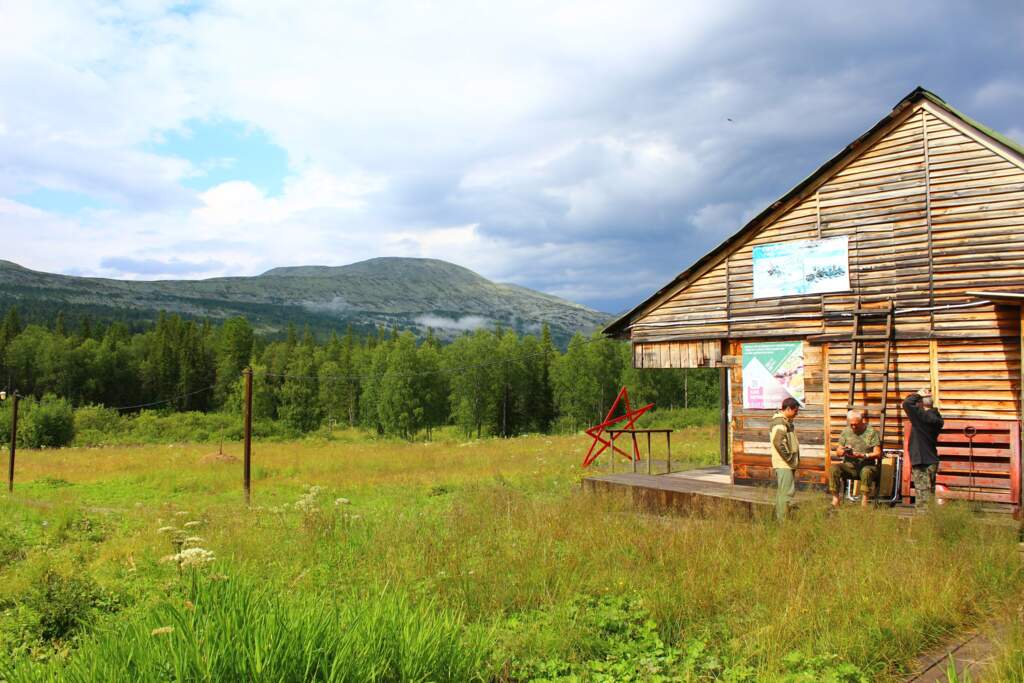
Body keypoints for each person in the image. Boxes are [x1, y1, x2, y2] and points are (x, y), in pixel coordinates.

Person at [827, 410, 882, 508]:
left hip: (867, 465)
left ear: (862, 421)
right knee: (833, 468)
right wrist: (843, 451)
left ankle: (864, 502)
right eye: (851, 424)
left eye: (856, 424)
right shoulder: (846, 432)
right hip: (850, 466)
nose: (853, 427)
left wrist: (864, 455)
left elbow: (878, 453)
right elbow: (838, 452)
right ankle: (836, 499)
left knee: (866, 471)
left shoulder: (871, 432)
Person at [902, 387, 944, 508]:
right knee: (928, 495)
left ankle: (923, 523)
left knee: (922, 499)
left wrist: (918, 395)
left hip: (923, 461)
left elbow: (906, 404)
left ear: (920, 403)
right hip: (930, 459)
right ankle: (929, 521)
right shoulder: (935, 417)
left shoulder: (922, 418)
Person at [770, 397, 801, 520]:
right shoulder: (780, 423)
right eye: (795, 411)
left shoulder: (785, 421)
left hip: (785, 464)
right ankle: (783, 521)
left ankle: (778, 519)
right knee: (786, 493)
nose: (796, 414)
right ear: (788, 409)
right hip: (784, 464)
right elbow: (778, 442)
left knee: (782, 492)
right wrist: (789, 459)